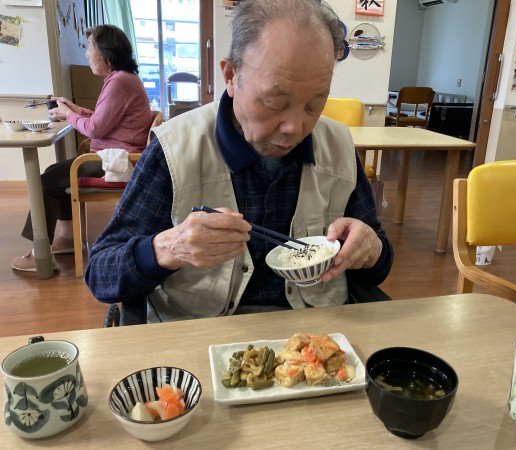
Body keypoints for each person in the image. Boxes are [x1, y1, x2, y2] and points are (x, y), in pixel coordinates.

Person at [85, 0, 394, 323]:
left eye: (314, 105)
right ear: (231, 75)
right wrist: (168, 248)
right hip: (203, 338)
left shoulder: (338, 146)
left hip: (315, 340)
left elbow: (378, 265)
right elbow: (101, 274)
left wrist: (371, 250)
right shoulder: (174, 149)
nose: (295, 128)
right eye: (274, 102)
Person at [11, 25, 152, 272]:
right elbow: (103, 119)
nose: (87, 54)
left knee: (48, 180)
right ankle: (66, 239)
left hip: (117, 160)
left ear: (106, 53)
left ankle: (40, 256)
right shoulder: (122, 79)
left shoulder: (119, 82)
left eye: (90, 48)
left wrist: (68, 114)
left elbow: (95, 129)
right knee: (57, 173)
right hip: (114, 155)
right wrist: (75, 110)